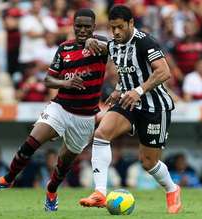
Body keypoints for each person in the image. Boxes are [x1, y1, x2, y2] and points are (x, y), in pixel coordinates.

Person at [0, 8, 108, 212]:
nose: (82, 30)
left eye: (87, 27)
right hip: (60, 107)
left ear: (93, 27)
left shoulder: (100, 47)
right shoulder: (64, 48)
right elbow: (48, 79)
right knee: (32, 141)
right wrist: (65, 84)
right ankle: (8, 178)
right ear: (73, 26)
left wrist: (98, 42)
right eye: (79, 26)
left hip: (85, 118)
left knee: (64, 163)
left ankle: (51, 191)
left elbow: (112, 47)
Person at [79, 5, 181, 214]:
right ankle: (99, 192)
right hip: (128, 101)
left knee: (149, 162)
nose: (115, 32)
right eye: (112, 27)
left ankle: (172, 189)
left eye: (119, 27)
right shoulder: (114, 44)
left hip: (154, 106)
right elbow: (125, 68)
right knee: (101, 134)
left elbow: (164, 72)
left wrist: (139, 91)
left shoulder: (146, 42)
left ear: (131, 23)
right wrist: (119, 89)